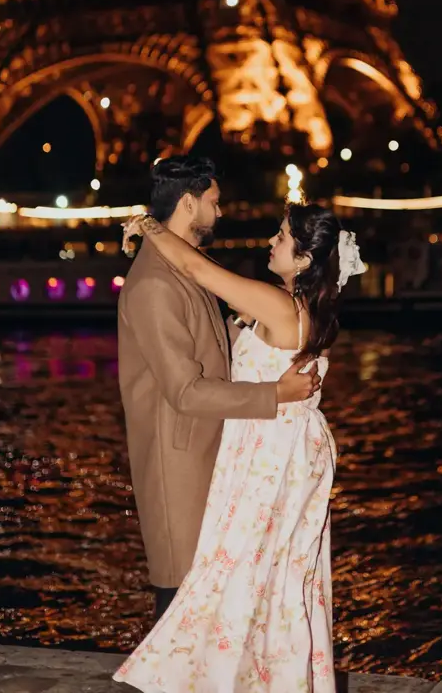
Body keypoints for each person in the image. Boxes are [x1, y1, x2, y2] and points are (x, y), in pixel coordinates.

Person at [114, 197, 365, 693]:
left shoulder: (275, 304)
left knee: (238, 569)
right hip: (285, 450)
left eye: (281, 238)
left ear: (304, 261)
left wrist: (147, 223)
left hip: (269, 452)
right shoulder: (290, 305)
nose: (270, 242)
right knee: (271, 576)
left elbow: (192, 264)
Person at [117, 157, 322, 624]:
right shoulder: (154, 282)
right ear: (189, 203)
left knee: (201, 615)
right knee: (180, 611)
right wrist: (275, 393)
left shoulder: (182, 270)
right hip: (181, 464)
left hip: (211, 456)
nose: (221, 211)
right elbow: (185, 392)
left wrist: (248, 334)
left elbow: (207, 344)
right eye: (214, 202)